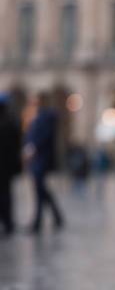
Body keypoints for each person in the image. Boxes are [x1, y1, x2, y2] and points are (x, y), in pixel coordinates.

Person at [23, 92, 64, 233]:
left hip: (41, 159)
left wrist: (32, 148)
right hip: (38, 159)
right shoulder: (36, 117)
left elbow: (42, 138)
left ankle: (38, 223)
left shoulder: (45, 118)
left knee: (39, 190)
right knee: (41, 190)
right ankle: (55, 217)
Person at [0, 93, 21, 236]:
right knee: (7, 194)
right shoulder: (12, 122)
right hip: (8, 167)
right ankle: (8, 222)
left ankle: (6, 221)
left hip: (4, 166)